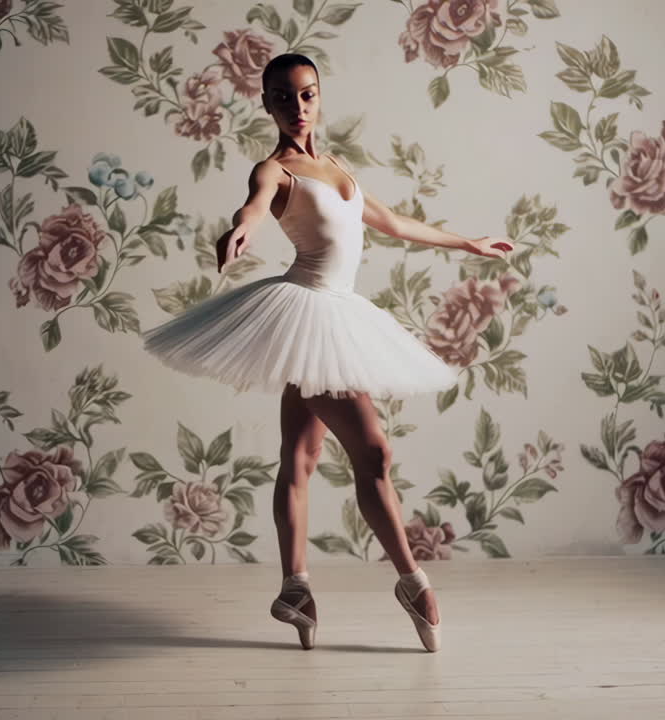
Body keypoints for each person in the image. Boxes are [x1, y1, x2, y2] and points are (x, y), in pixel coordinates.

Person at [141, 53, 513, 652]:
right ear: (266, 105)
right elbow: (256, 205)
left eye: (307, 94)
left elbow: (389, 220)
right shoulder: (275, 170)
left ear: (320, 96)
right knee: (374, 452)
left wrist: (467, 241)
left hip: (335, 314)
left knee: (300, 457)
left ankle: (295, 588)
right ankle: (413, 582)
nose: (298, 107)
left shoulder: (335, 166)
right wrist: (241, 229)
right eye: (283, 98)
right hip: (308, 310)